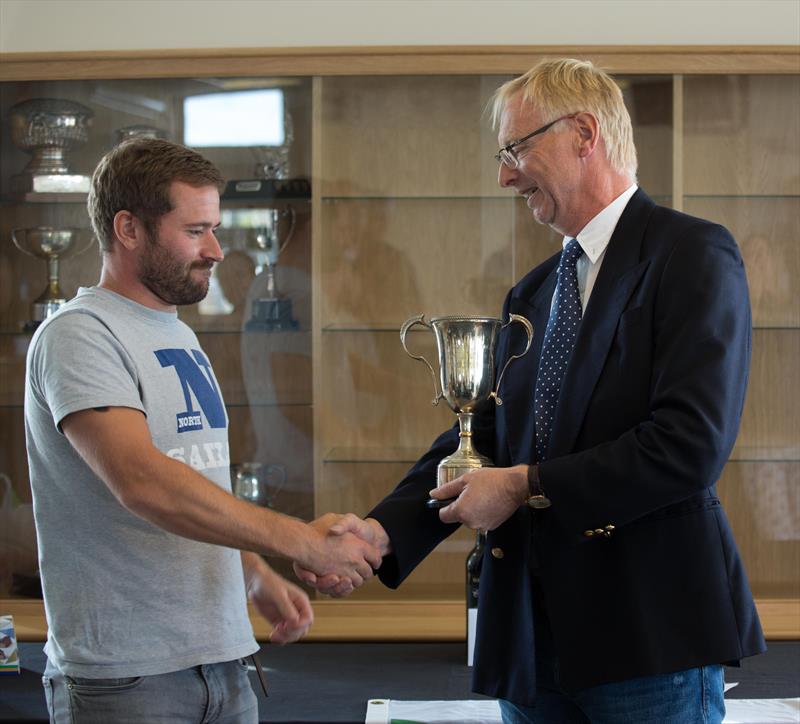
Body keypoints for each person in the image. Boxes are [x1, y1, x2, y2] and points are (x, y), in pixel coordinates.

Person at [298, 59, 766, 723]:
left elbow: (689, 446)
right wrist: (380, 533)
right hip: (532, 645)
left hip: (648, 641)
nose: (504, 175)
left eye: (518, 148)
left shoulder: (690, 254)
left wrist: (524, 486)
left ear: (584, 134)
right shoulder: (536, 291)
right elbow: (481, 436)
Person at [24, 138, 381, 724]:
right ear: (128, 228)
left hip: (223, 663)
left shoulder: (177, 332)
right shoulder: (79, 335)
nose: (217, 250)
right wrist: (301, 541)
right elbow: (144, 483)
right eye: (195, 231)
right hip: (128, 679)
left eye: (214, 228)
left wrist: (249, 571)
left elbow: (191, 479)